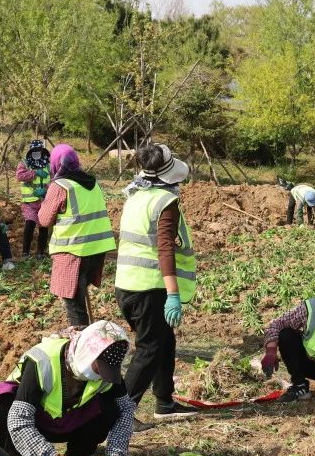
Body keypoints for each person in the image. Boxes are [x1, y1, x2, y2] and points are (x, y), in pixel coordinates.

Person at [0, 321, 135, 456]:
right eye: (99, 368)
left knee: (112, 406)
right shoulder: (43, 360)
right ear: (86, 353)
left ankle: (81, 455)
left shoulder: (108, 368)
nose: (101, 375)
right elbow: (19, 419)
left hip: (73, 422)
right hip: (37, 422)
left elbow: (126, 409)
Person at [115, 143, 199, 421]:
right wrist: (173, 293)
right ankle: (120, 415)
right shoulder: (165, 201)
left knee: (164, 340)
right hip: (148, 288)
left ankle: (164, 401)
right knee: (149, 348)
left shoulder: (135, 195)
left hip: (126, 285)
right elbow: (165, 247)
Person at [39, 144, 116, 327]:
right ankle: (89, 339)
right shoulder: (92, 183)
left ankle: (83, 347)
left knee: (74, 305)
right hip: (96, 251)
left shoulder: (60, 186)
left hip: (72, 253)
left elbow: (44, 219)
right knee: (79, 299)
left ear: (56, 163)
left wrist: (45, 200)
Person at [16, 139, 50, 260]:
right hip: (30, 202)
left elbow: (53, 179)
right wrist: (35, 173)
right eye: (34, 150)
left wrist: (47, 190)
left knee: (44, 226)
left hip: (44, 201)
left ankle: (40, 252)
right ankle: (25, 253)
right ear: (31, 151)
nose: (37, 152)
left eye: (39, 150)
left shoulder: (48, 163)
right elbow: (20, 176)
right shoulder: (25, 163)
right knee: (30, 224)